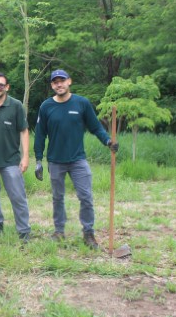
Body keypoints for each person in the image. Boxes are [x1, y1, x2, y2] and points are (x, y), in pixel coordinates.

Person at [34, 69, 119, 249]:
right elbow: (40, 135)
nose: (59, 84)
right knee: (57, 198)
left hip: (78, 160)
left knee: (86, 197)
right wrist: (38, 160)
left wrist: (108, 141)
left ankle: (88, 233)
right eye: (55, 81)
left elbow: (96, 127)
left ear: (69, 81)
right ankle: (59, 232)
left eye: (62, 80)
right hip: (55, 161)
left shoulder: (82, 103)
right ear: (52, 85)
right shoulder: (46, 107)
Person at [0, 72, 31, 241]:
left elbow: (24, 131)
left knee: (17, 196)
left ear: (7, 87)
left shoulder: (16, 105)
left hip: (11, 160)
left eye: (1, 85)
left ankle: (24, 230)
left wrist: (25, 156)